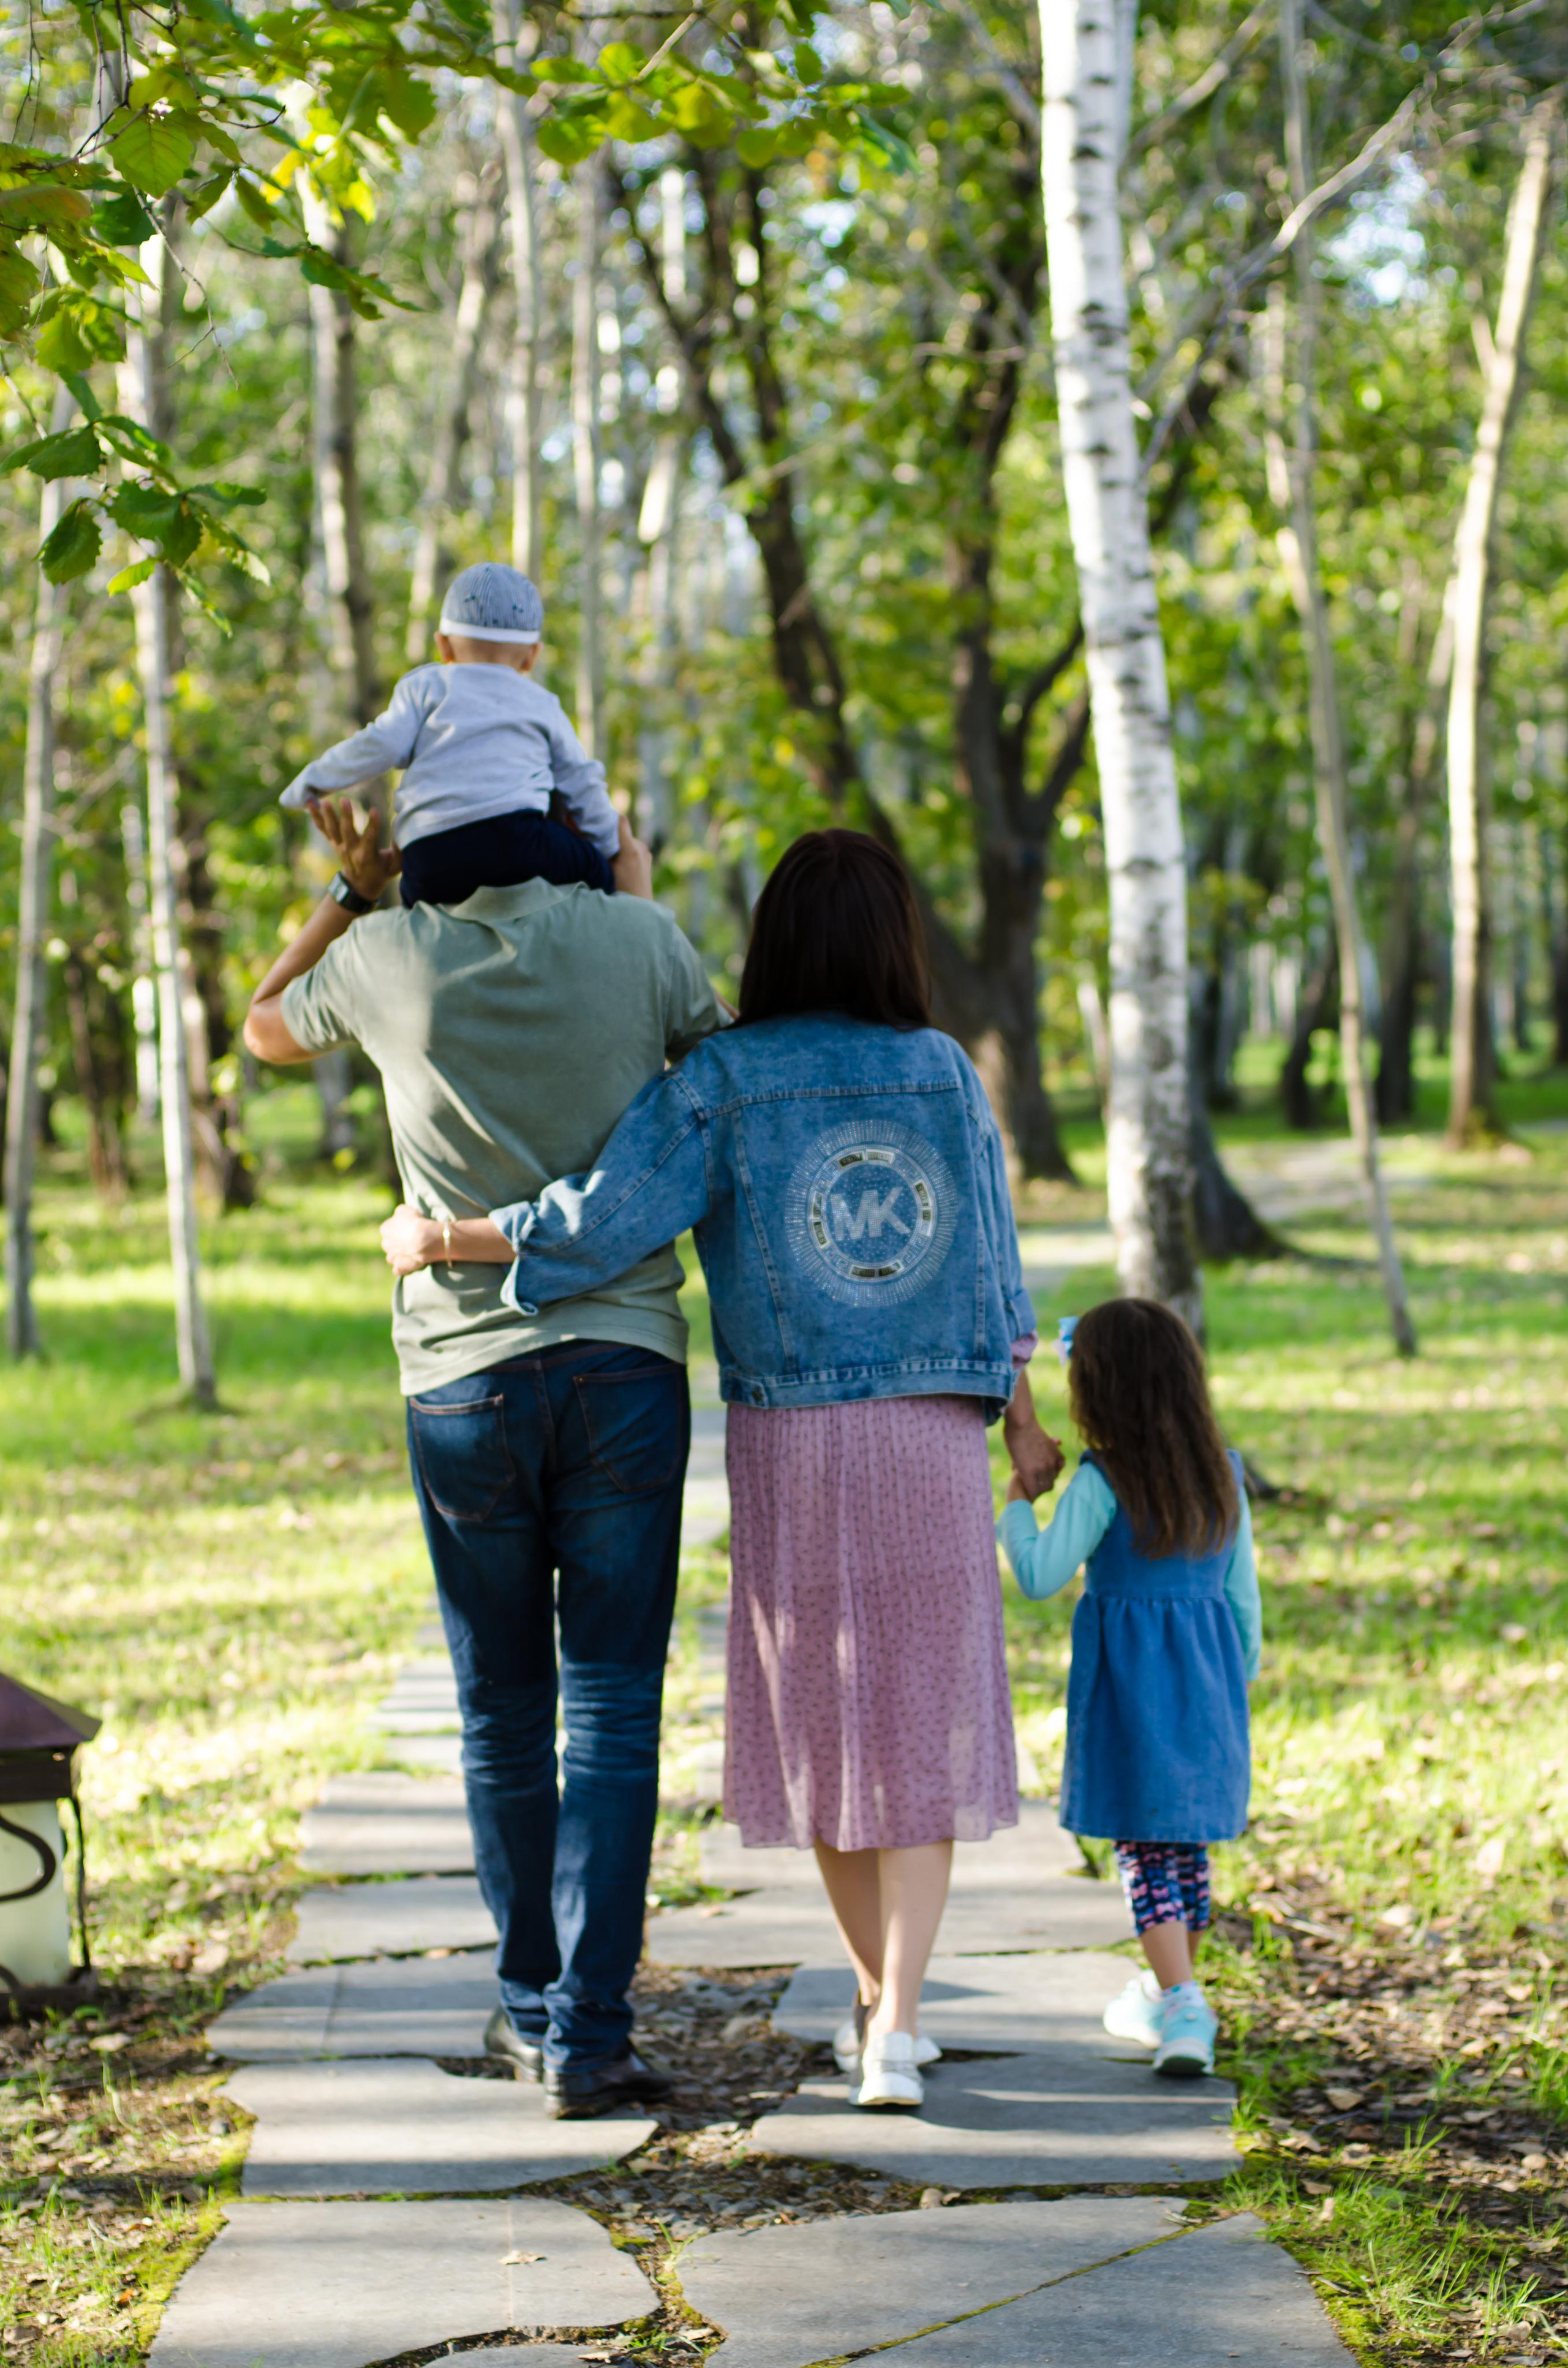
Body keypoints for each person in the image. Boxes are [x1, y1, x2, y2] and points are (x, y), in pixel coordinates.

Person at [380, 828, 1063, 2114]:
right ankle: (894, 2020)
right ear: (894, 941)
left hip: (793, 1441)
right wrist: (1022, 1418)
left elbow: (607, 1209)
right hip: (927, 1431)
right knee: (919, 1716)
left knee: (825, 1722)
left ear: (775, 939)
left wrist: (448, 1237)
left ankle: (881, 2013)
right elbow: (990, 1266)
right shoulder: (940, 1072)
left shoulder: (728, 1074)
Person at [243, 794, 725, 2119]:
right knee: (613, 1707)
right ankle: (592, 2034)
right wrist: (629, 880)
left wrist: (348, 889)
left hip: (461, 1380)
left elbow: (260, 1024)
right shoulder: (638, 940)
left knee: (500, 1710)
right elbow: (716, 1084)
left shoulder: (388, 952)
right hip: (623, 1361)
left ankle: (526, 2008)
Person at [997, 1298, 1262, 2081]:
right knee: (1182, 1844)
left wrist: (1016, 1501)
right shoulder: (1223, 1472)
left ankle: (1183, 2003)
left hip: (1132, 1690)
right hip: (1209, 1683)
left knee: (1143, 1851)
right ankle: (1164, 1989)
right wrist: (1234, 1683)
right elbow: (1243, 1595)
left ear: (1098, 1390)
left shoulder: (1102, 1479)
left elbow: (1042, 1574)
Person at [279, 562, 620, 907]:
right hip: (517, 845)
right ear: (532, 656)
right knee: (596, 869)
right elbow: (581, 779)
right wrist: (611, 847)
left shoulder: (424, 687)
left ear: (444, 646)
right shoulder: (542, 702)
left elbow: (379, 745)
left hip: (429, 852)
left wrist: (310, 783)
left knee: (421, 904)